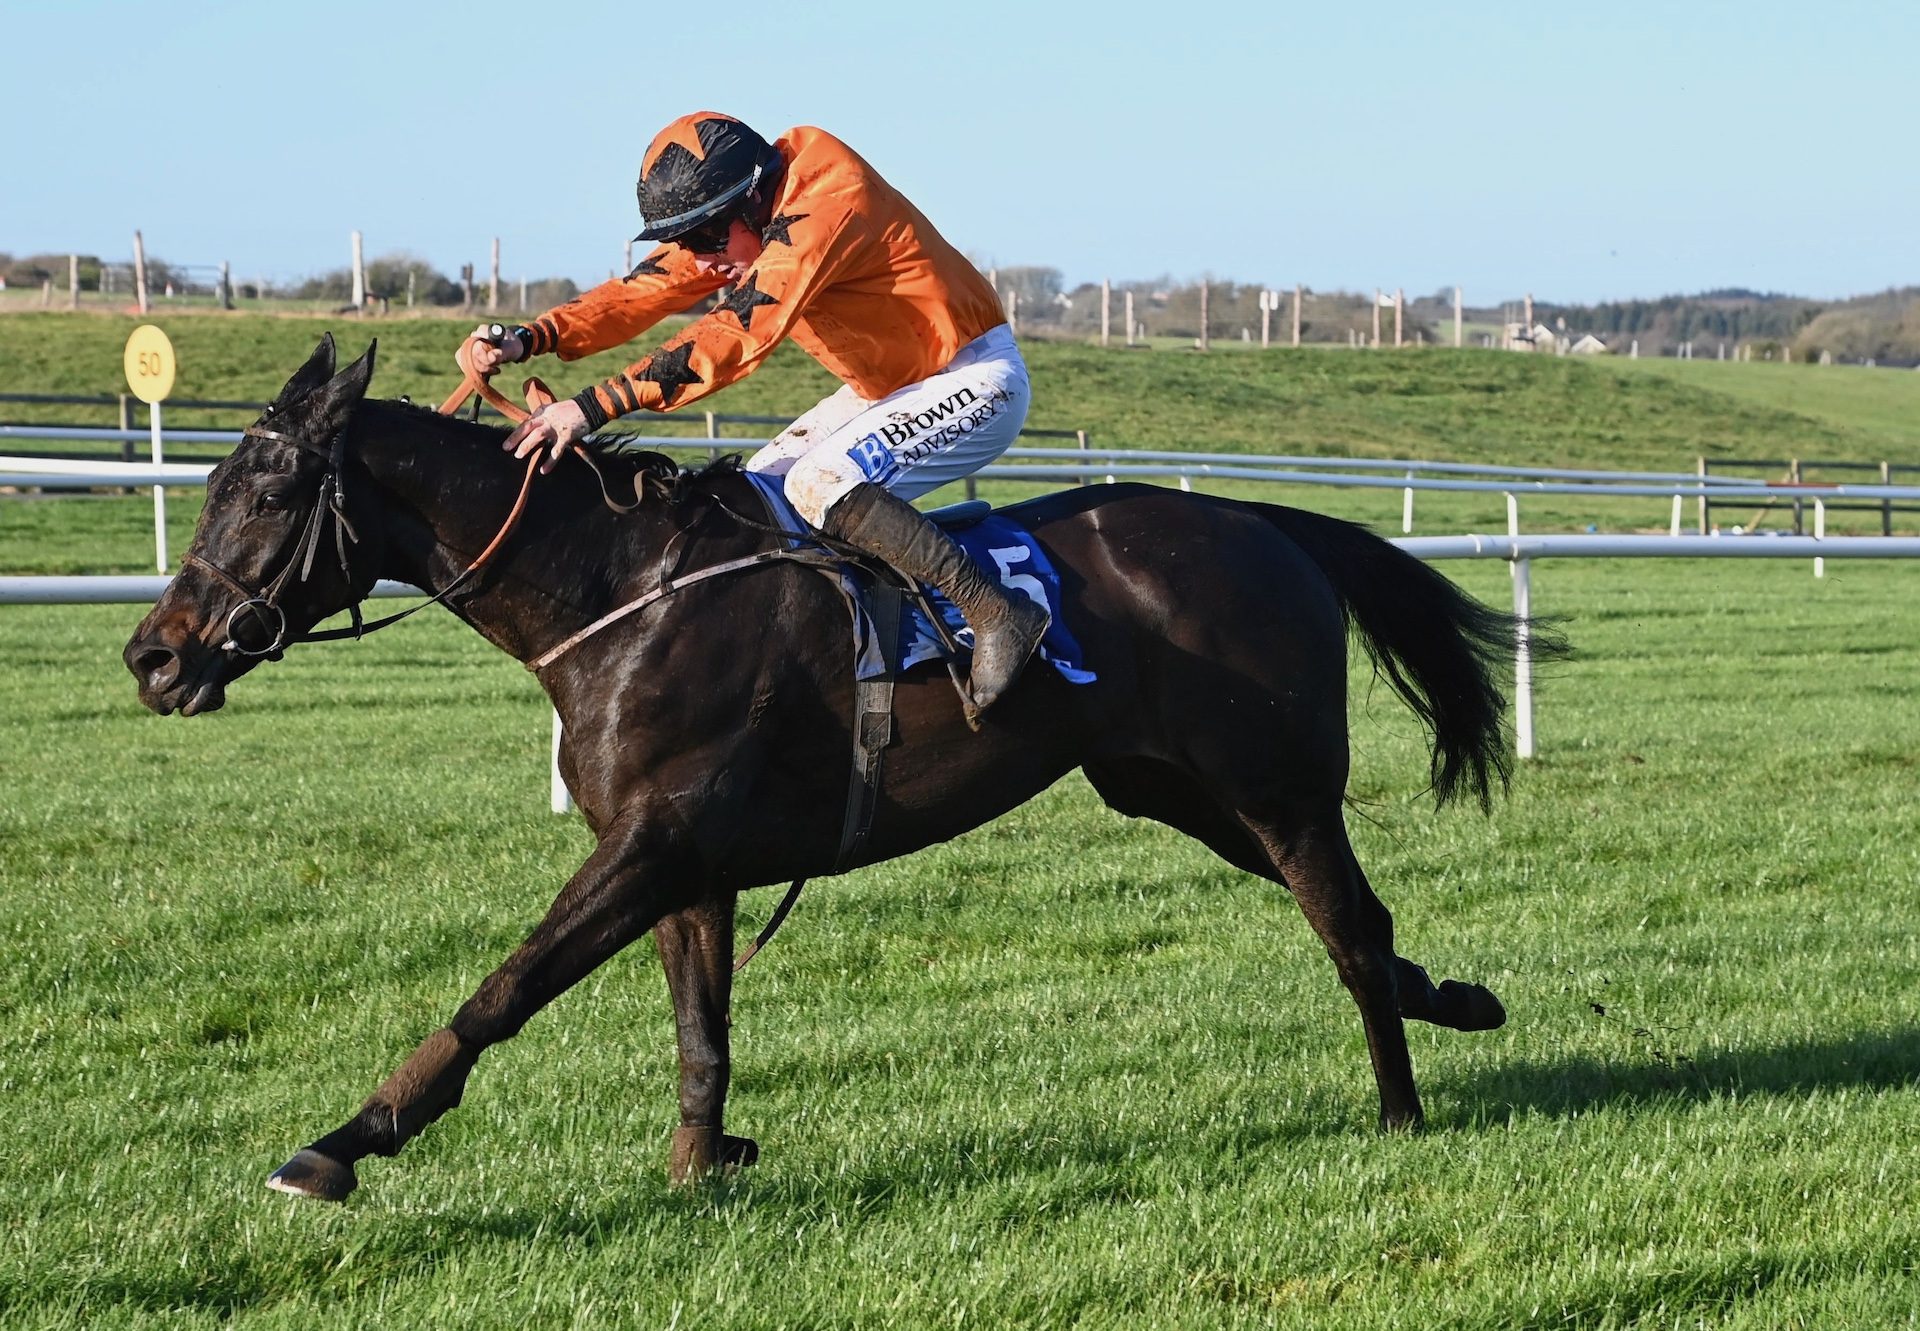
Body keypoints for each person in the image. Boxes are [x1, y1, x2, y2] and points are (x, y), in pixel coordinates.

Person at [462, 111, 1048, 718]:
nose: (702, 260)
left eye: (709, 240)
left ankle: (994, 611)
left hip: (973, 377)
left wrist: (591, 407)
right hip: (891, 387)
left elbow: (737, 334)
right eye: (689, 241)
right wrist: (529, 338)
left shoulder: (824, 207)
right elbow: (642, 292)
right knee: (760, 499)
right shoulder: (738, 218)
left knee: (818, 483)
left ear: (751, 200)